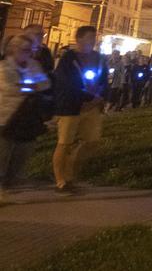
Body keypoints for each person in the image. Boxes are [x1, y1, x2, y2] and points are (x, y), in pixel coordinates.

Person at [51, 26, 107, 194]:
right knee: (64, 142)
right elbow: (66, 82)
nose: (93, 40)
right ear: (79, 39)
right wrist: (85, 98)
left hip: (93, 106)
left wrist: (99, 96)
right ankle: (60, 180)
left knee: (92, 141)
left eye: (94, 37)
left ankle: (70, 171)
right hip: (71, 107)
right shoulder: (69, 58)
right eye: (90, 37)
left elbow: (104, 79)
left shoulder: (99, 58)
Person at [0, 35, 51, 202]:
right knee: (4, 155)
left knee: (21, 154)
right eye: (24, 50)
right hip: (7, 118)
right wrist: (31, 86)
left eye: (31, 50)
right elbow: (10, 87)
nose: (28, 54)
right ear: (13, 49)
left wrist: (27, 86)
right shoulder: (4, 67)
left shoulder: (33, 65)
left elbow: (45, 83)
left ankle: (10, 186)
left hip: (28, 118)